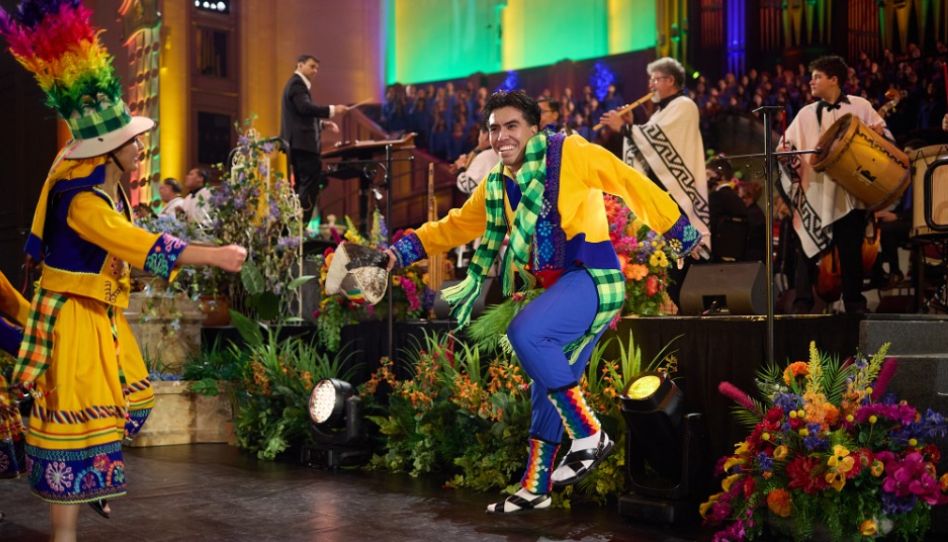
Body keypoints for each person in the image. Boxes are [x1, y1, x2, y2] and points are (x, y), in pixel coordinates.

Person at [385, 91, 699, 514]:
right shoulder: (497, 185)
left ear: (534, 129)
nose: (501, 136)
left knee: (525, 333)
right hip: (558, 289)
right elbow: (456, 225)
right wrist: (400, 252)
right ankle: (536, 486)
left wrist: (677, 229)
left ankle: (588, 433)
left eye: (511, 125)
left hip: (593, 277)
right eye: (494, 128)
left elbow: (628, 181)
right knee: (546, 383)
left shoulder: (569, 152)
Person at [0, 3, 247, 540]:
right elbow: (138, 245)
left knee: (128, 400)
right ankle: (64, 531)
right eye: (133, 142)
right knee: (78, 424)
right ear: (110, 150)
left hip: (97, 320)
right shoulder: (84, 201)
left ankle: (92, 490)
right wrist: (216, 254)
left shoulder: (94, 184)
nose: (140, 148)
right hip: (74, 324)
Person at [776, 55, 890, 314]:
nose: (811, 82)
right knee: (805, 250)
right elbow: (786, 147)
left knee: (851, 251)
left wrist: (879, 135)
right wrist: (787, 156)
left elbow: (884, 139)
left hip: (849, 192)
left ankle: (854, 304)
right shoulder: (805, 113)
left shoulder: (860, 106)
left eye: (817, 76)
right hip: (815, 190)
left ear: (834, 79)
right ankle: (803, 304)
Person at [600, 57, 712, 258]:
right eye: (650, 80)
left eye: (655, 79)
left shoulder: (685, 105)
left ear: (670, 80)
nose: (651, 84)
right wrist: (630, 125)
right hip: (661, 195)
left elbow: (660, 141)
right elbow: (650, 144)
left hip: (678, 193)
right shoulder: (659, 113)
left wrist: (626, 128)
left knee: (683, 260)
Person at [280, 54, 349, 224]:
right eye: (312, 66)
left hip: (298, 145)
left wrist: (324, 124)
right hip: (304, 147)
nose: (315, 70)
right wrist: (333, 109)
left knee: (302, 188)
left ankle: (296, 228)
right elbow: (304, 108)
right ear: (300, 65)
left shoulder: (298, 85)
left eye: (317, 68)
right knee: (308, 188)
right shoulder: (297, 83)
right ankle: (299, 227)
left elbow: (301, 117)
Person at [706, 158, 748, 262]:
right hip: (737, 253)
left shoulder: (717, 197)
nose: (706, 179)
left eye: (708, 174)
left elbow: (710, 224)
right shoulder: (736, 198)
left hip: (717, 254)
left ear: (721, 176)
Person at [739, 181, 766, 262]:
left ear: (748, 197)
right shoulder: (755, 212)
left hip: (752, 259)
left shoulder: (753, 214)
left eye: (741, 197)